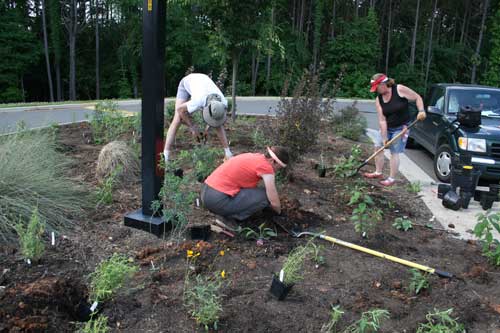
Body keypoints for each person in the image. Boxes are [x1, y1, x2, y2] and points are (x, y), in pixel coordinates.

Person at [201, 146, 289, 227]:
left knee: (257, 192)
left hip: (206, 192)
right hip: (217, 200)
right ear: (272, 161)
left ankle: (226, 211)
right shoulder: (266, 167)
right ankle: (231, 219)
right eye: (278, 167)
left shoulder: (256, 157)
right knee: (265, 196)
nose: (277, 171)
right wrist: (279, 212)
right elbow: (272, 197)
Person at [363, 73, 426, 186]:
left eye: (377, 88)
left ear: (383, 84)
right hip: (387, 126)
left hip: (402, 127)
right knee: (378, 147)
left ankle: (391, 178)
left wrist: (421, 111)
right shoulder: (379, 99)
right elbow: (382, 120)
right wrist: (384, 137)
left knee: (394, 152)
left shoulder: (399, 89)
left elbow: (417, 97)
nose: (376, 91)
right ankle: (378, 172)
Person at [164, 73, 233, 162]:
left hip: (203, 81)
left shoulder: (223, 102)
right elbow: (179, 110)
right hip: (187, 82)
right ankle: (165, 156)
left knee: (217, 124)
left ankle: (228, 153)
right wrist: (192, 128)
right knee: (177, 119)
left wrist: (206, 130)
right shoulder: (198, 100)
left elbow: (217, 120)